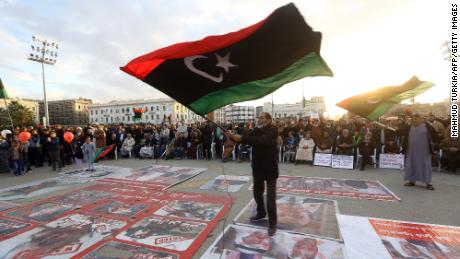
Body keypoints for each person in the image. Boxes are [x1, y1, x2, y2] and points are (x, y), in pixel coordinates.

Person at [225, 112, 278, 236]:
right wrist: (232, 136)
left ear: (269, 120)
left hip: (270, 169)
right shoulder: (255, 130)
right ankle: (261, 212)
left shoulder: (273, 130)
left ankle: (272, 223)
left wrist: (242, 138)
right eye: (258, 118)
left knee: (270, 199)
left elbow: (263, 141)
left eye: (263, 118)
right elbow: (246, 138)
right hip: (258, 167)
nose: (260, 120)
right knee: (257, 193)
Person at [402, 114, 438, 190]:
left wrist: (435, 146)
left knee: (425, 165)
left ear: (421, 119)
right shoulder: (409, 127)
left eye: (416, 119)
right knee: (411, 164)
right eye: (413, 119)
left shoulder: (427, 126)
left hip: (424, 151)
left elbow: (435, 135)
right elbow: (399, 132)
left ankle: (428, 183)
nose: (414, 120)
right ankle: (411, 181)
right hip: (411, 151)